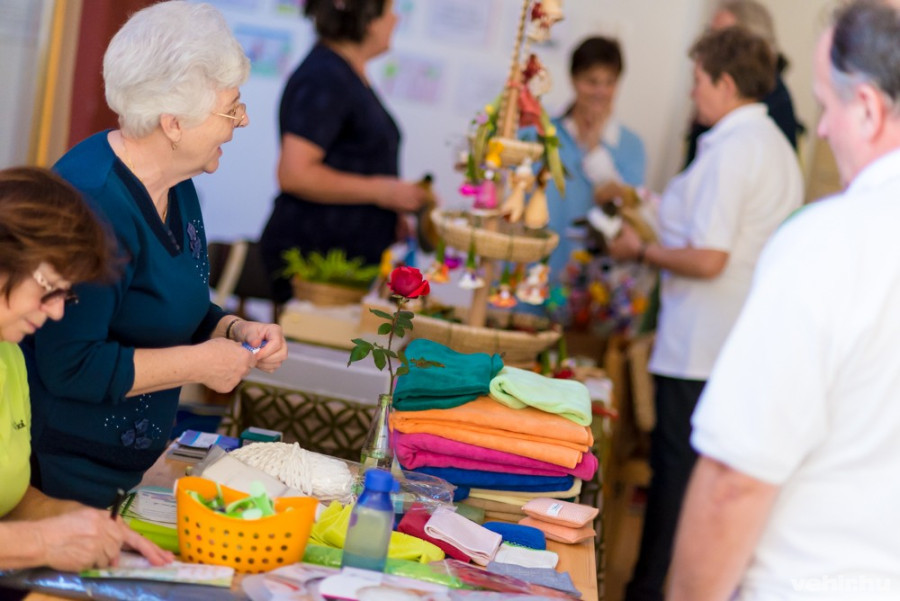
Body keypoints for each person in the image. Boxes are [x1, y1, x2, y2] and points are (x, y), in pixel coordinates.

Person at [670, 2, 900, 599]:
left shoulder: (831, 241)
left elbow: (734, 482)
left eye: (828, 107)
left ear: (868, 109)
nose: (821, 130)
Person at [24, 1, 288, 509]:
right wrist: (198, 365)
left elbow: (169, 305)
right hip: (61, 475)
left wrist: (233, 329)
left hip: (127, 468)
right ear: (173, 123)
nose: (244, 120)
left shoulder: (177, 181)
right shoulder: (93, 203)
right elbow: (72, 365)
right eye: (232, 109)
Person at [607, 26, 804, 601]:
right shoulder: (768, 144)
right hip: (727, 342)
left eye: (698, 80)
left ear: (726, 83)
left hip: (700, 347)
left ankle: (647, 592)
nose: (692, 92)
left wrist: (640, 250)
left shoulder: (734, 150)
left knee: (673, 487)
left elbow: (710, 257)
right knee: (685, 484)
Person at [0, 167, 171, 570]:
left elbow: (10, 498)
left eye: (67, 295)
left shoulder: (10, 355)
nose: (57, 312)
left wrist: (81, 522)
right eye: (50, 289)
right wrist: (42, 542)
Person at [260, 0, 428, 304]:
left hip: (343, 262)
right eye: (390, 12)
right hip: (315, 264)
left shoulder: (344, 73)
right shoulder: (324, 77)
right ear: (368, 20)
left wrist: (389, 209)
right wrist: (382, 192)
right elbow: (294, 174)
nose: (396, 20)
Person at [545, 36, 646, 283]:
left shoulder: (632, 147)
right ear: (574, 80)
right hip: (533, 270)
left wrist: (594, 148)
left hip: (590, 285)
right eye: (592, 81)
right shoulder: (542, 131)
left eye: (609, 82)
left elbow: (625, 213)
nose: (601, 92)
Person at [683, 0, 802, 166]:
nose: (709, 44)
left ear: (752, 45)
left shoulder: (774, 103)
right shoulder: (718, 85)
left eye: (722, 38)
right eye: (709, 33)